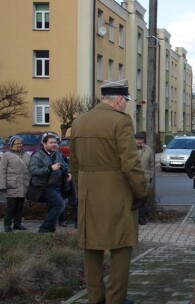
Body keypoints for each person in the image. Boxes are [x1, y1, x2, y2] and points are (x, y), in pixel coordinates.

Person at [70, 79, 147, 304]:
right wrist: (141, 192)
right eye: (126, 101)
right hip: (118, 196)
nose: (125, 106)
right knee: (121, 249)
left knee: (91, 249)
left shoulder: (80, 121)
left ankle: (95, 298)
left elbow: (73, 164)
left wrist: (80, 190)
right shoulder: (121, 122)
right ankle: (115, 299)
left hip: (88, 195)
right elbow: (131, 164)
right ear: (120, 100)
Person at [28, 133, 71, 233]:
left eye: (55, 142)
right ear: (44, 143)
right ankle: (45, 228)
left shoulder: (57, 154)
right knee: (59, 204)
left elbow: (64, 165)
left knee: (53, 206)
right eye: (51, 143)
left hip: (56, 185)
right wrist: (49, 168)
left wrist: (68, 172)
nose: (54, 144)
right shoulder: (37, 155)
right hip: (43, 186)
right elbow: (33, 171)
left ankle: (50, 229)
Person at [0, 136, 31, 232]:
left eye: (20, 143)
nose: (19, 145)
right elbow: (2, 170)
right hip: (11, 185)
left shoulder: (27, 155)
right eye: (17, 143)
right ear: (11, 144)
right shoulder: (6, 155)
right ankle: (7, 225)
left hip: (23, 184)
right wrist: (2, 185)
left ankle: (17, 224)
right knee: (11, 206)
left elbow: (30, 169)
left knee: (20, 206)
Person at [135, 132, 154, 225]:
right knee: (133, 199)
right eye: (137, 139)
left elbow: (152, 164)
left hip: (145, 178)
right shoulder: (130, 149)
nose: (139, 141)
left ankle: (141, 218)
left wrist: (150, 176)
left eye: (141, 139)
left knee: (143, 199)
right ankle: (133, 218)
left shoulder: (148, 150)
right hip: (133, 178)